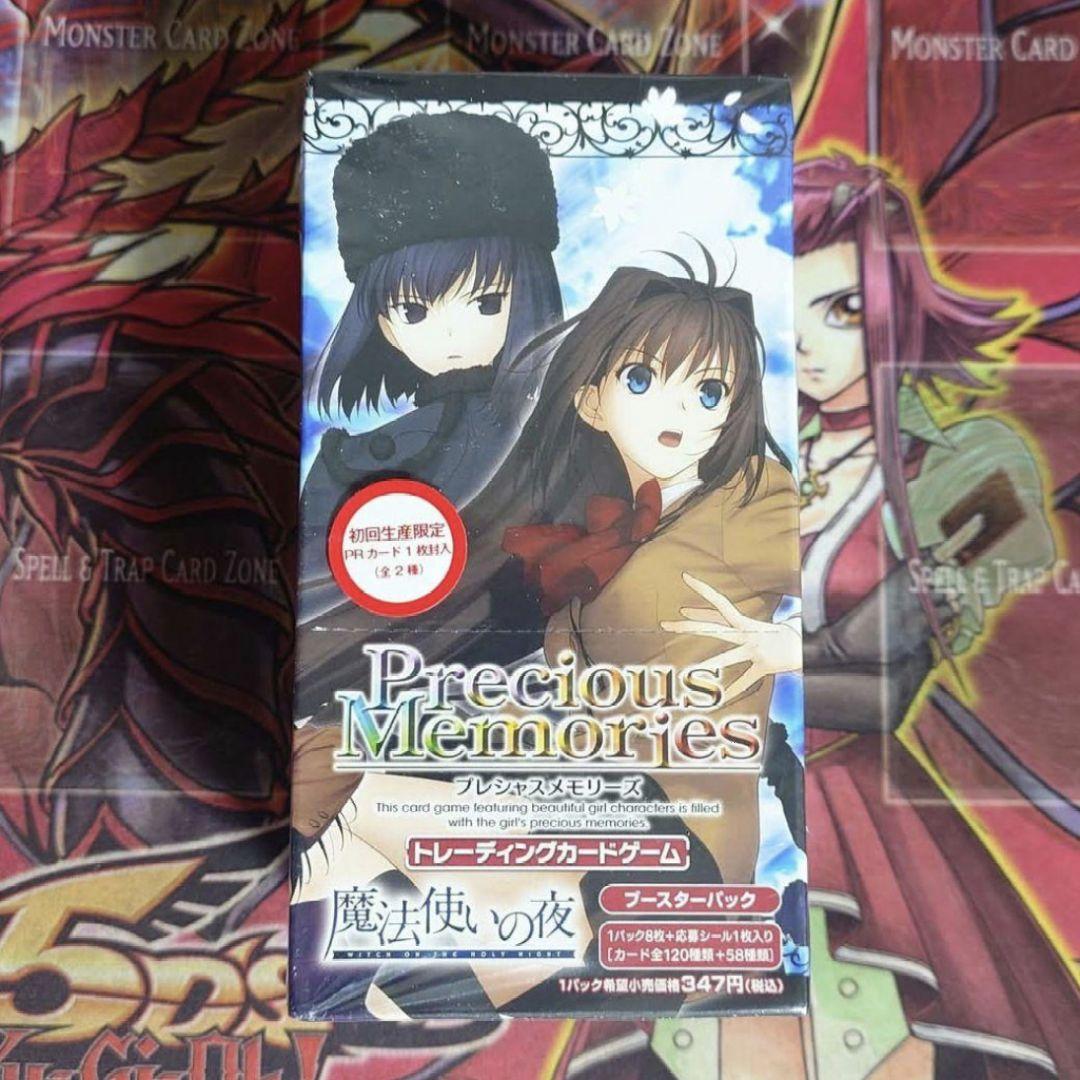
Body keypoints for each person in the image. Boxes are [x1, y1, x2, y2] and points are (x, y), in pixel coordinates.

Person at [668, 154, 1077, 1078]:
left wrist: (764, 659)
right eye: (786, 307)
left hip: (852, 814)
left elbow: (891, 684)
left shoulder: (973, 460)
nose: (808, 342)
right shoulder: (749, 457)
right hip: (722, 802)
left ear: (899, 302)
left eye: (844, 308)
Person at [298, 111, 563, 632]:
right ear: (380, 322)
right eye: (413, 311)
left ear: (531, 291)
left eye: (487, 303)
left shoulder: (564, 429)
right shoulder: (349, 462)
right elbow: (318, 611)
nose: (451, 335)